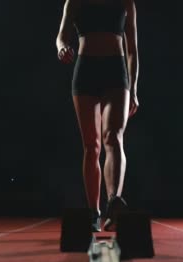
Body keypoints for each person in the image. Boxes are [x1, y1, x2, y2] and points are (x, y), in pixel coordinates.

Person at [56, 0, 139, 232]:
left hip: (115, 71)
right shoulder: (74, 1)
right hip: (85, 71)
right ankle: (94, 212)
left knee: (113, 137)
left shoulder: (126, 2)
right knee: (91, 146)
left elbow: (132, 49)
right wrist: (62, 48)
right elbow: (61, 36)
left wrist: (134, 89)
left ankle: (113, 202)